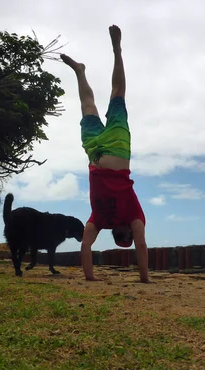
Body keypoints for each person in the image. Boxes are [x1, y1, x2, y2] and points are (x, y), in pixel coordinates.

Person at [60, 25, 149, 283]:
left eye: (120, 240)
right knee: (117, 95)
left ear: (116, 234)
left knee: (87, 105)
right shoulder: (135, 215)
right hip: (118, 147)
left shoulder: (99, 219)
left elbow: (85, 247)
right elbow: (141, 247)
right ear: (130, 234)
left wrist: (90, 278)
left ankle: (80, 71)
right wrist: (144, 279)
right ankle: (117, 50)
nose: (124, 238)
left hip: (95, 151)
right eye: (126, 239)